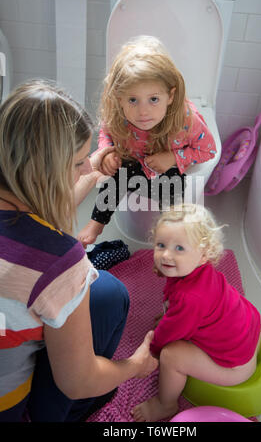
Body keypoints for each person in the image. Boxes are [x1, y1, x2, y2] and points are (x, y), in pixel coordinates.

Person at [0, 80, 158, 422]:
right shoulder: (59, 259)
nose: (86, 168)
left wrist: (94, 171)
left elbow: (28, 217)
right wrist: (135, 365)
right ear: (44, 173)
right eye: (76, 164)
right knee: (108, 293)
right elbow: (78, 381)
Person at [77, 36, 217, 248]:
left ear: (170, 96)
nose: (143, 112)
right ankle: (98, 222)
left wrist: (173, 157)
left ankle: (169, 230)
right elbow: (107, 131)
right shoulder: (119, 115)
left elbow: (208, 150)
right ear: (119, 97)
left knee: (173, 188)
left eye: (153, 99)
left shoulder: (186, 120)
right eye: (133, 100)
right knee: (115, 176)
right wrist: (107, 152)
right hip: (135, 160)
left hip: (168, 164)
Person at [131, 204, 261, 422]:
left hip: (236, 366)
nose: (166, 255)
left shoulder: (189, 298)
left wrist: (151, 350)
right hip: (250, 333)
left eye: (179, 248)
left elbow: (167, 335)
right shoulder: (199, 270)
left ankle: (166, 405)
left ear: (203, 255)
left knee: (170, 355)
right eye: (161, 245)